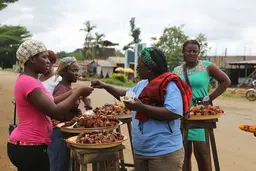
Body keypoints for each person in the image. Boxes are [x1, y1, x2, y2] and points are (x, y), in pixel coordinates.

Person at [91, 47, 192, 171]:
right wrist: (105, 86)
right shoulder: (143, 84)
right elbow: (125, 95)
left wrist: (141, 107)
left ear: (149, 68)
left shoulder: (169, 85)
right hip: (142, 151)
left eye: (139, 65)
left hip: (163, 153)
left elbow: (173, 113)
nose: (137, 68)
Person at [7, 39, 93, 171]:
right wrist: (79, 92)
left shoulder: (31, 80)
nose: (49, 61)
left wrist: (73, 91)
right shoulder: (29, 83)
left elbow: (51, 100)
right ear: (32, 59)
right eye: (44, 57)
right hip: (29, 146)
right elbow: (56, 112)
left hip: (30, 145)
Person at [173, 40, 231, 171]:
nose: (192, 53)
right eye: (189, 51)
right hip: (183, 115)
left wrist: (209, 98)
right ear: (183, 52)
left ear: (199, 53)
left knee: (202, 154)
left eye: (195, 51)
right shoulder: (177, 70)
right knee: (184, 154)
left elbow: (225, 81)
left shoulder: (206, 66)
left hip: (200, 115)